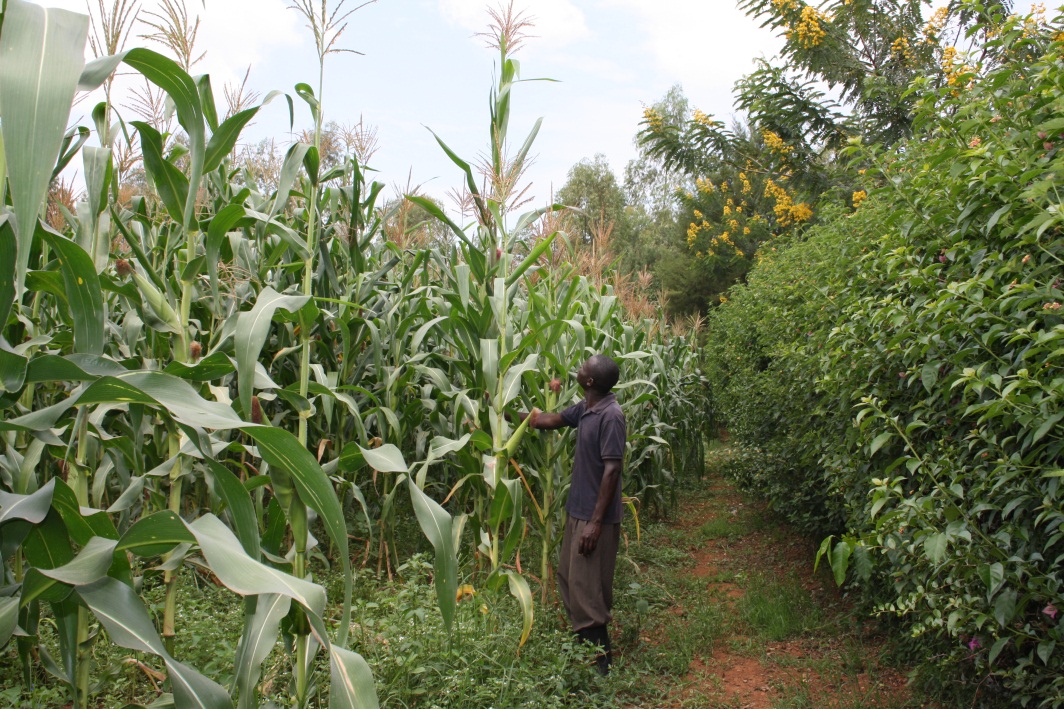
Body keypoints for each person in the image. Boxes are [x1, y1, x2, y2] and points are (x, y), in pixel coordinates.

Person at [515, 354, 626, 674]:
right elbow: (550, 420)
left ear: (589, 381)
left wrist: (595, 524)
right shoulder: (588, 407)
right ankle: (583, 653)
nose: (578, 368)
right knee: (569, 579)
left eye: (583, 367)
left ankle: (601, 667)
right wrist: (503, 412)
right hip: (578, 511)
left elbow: (612, 471)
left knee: (588, 589)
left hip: (595, 518)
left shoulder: (611, 415)